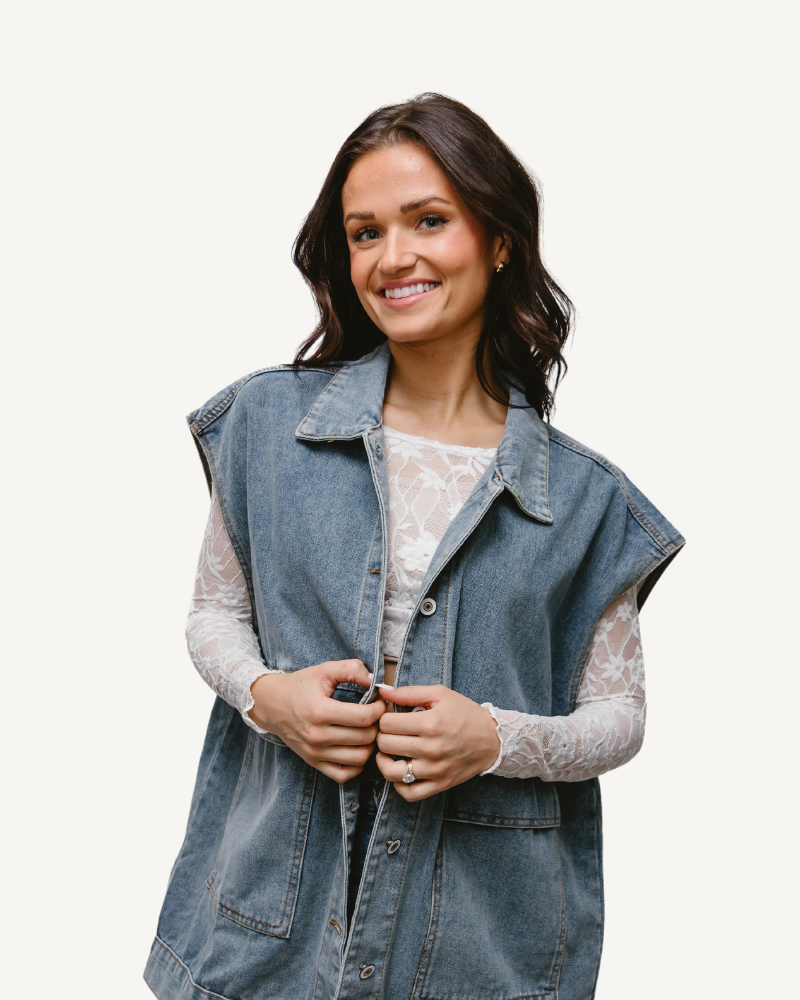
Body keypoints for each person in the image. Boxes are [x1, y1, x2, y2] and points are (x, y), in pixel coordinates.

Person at [145, 93, 684, 1000]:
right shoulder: (267, 427)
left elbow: (619, 718)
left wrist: (493, 738)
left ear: (500, 238)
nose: (393, 258)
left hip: (478, 946)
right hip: (263, 924)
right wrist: (268, 695)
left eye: (428, 220)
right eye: (364, 233)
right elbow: (215, 613)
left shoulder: (589, 502)